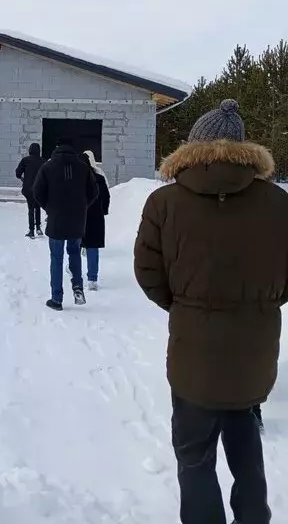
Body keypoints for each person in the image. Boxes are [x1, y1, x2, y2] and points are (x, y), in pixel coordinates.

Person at [134, 99, 288, 524]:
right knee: (245, 442)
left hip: (192, 355)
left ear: (194, 146)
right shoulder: (278, 203)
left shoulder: (164, 202)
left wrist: (183, 305)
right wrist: (261, 302)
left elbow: (148, 271)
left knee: (194, 455)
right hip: (253, 352)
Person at [33, 138, 98, 310]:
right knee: (75, 252)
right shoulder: (84, 168)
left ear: (56, 149)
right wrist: (83, 207)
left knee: (56, 258)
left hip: (56, 220)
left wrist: (49, 207)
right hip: (77, 220)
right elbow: (94, 191)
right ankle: (78, 287)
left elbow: (37, 191)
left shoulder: (47, 167)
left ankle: (57, 298)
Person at [80, 151, 110, 290]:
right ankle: (92, 278)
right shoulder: (99, 177)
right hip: (96, 217)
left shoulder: (76, 179)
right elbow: (106, 196)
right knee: (93, 248)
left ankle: (73, 269)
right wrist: (103, 210)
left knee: (74, 246)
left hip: (79, 216)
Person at [15, 142, 44, 238]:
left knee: (31, 209)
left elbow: (18, 173)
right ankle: (38, 228)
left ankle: (31, 231)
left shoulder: (25, 160)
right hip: (39, 188)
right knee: (38, 206)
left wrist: (23, 179)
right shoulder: (43, 161)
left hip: (28, 188)